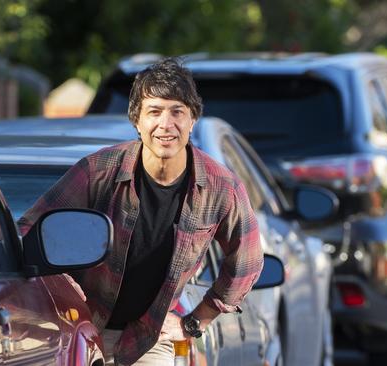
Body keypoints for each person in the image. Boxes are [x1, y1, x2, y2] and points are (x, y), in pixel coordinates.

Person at [18, 57, 264, 366]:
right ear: (137, 120)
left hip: (150, 338)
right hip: (80, 331)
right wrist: (59, 283)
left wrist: (194, 322)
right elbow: (30, 229)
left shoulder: (220, 187)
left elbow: (247, 261)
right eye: (155, 112)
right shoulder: (98, 171)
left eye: (177, 112)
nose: (166, 124)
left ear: (192, 120)